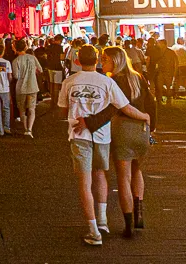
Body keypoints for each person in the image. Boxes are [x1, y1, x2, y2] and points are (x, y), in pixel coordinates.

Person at [58, 45, 149, 246]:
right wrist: (145, 117)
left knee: (85, 182)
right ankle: (103, 221)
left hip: (79, 135)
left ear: (77, 61)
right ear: (97, 60)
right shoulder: (107, 82)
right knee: (101, 174)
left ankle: (93, 230)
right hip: (103, 136)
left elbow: (62, 111)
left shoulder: (69, 82)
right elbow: (124, 106)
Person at [81, 46, 158, 238]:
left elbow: (111, 109)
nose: (102, 62)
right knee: (137, 170)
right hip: (142, 130)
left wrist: (90, 123)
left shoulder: (112, 81)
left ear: (115, 61)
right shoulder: (138, 78)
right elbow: (151, 103)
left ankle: (129, 224)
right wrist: (152, 126)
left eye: (105, 59)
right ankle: (139, 213)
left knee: (123, 177)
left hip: (122, 130)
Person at [11, 39, 42, 137]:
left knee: (22, 109)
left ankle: (25, 128)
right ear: (25, 47)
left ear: (15, 48)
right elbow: (40, 69)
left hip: (21, 88)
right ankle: (29, 129)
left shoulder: (16, 61)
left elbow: (16, 76)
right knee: (32, 109)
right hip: (32, 86)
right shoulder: (32, 58)